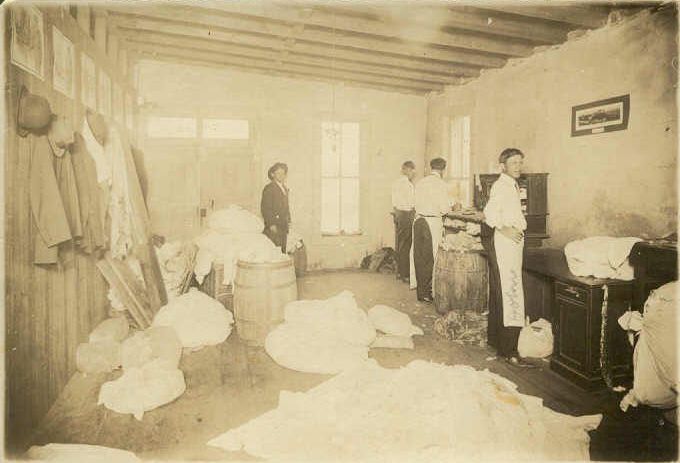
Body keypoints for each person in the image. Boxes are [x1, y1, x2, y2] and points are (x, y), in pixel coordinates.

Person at [481, 148, 534, 368]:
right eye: (514, 163)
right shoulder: (502, 186)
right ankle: (510, 351)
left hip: (511, 244)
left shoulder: (510, 184)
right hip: (506, 245)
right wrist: (505, 229)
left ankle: (498, 342)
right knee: (511, 293)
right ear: (502, 166)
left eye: (520, 162)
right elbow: (489, 215)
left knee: (503, 291)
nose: (518, 166)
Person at [410, 157, 456, 303]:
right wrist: (453, 205)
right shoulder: (441, 184)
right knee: (430, 258)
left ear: (431, 168)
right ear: (443, 170)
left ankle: (421, 291)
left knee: (419, 257)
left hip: (418, 221)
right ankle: (429, 292)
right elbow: (444, 208)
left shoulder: (420, 182)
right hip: (431, 222)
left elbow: (413, 203)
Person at [391, 161, 416, 283]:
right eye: (412, 171)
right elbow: (412, 203)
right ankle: (405, 274)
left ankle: (400, 272)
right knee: (407, 245)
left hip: (398, 214)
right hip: (406, 215)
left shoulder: (396, 183)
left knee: (401, 244)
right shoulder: (408, 185)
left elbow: (395, 201)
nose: (412, 174)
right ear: (406, 170)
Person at [261, 162, 290, 254]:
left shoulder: (284, 188)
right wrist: (271, 224)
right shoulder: (269, 188)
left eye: (283, 173)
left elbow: (286, 207)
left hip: (283, 225)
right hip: (274, 226)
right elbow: (266, 208)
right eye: (278, 173)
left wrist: (288, 220)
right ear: (272, 174)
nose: (281, 175)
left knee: (282, 249)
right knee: (274, 251)